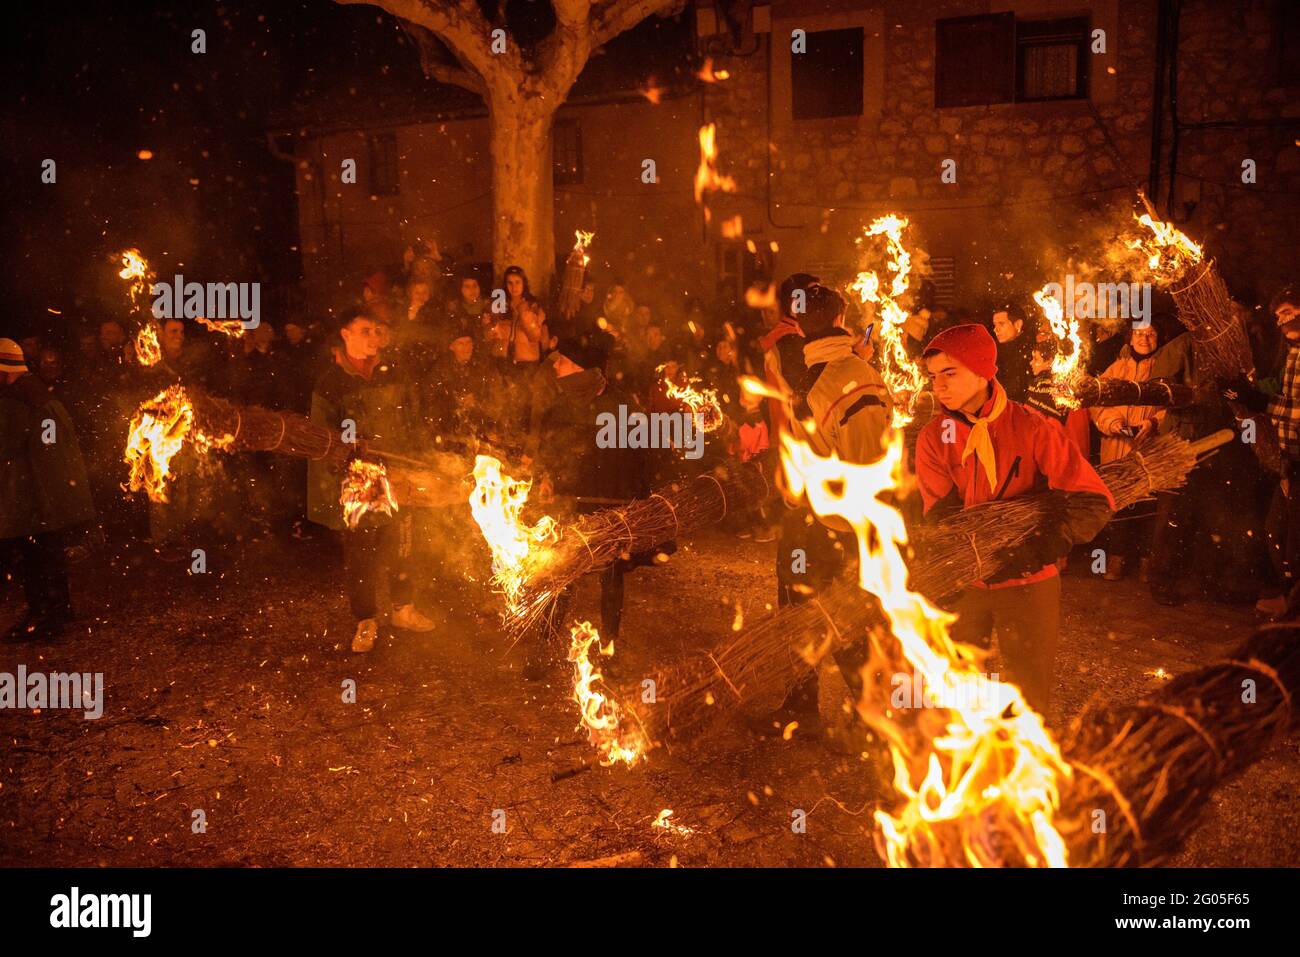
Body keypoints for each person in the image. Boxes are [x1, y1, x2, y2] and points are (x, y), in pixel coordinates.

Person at [915, 324, 1113, 715]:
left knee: (1027, 689)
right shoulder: (934, 436)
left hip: (1029, 581)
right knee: (958, 686)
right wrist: (950, 546)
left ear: (983, 371)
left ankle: (1025, 769)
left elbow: (1092, 499)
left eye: (950, 373)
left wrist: (1044, 546)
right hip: (964, 580)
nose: (939, 386)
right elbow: (938, 512)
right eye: (933, 377)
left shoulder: (1033, 427)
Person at [755, 284, 893, 735]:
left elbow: (827, 465)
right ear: (841, 319)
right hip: (851, 519)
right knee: (824, 616)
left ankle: (876, 719)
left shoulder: (817, 384)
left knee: (826, 619)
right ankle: (804, 705)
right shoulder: (862, 371)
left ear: (798, 324)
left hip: (824, 525)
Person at [308, 308, 435, 652]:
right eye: (365, 330)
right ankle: (366, 619)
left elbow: (412, 419)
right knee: (361, 555)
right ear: (346, 335)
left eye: (376, 331)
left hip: (400, 475)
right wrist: (347, 453)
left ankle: (403, 609)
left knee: (403, 546)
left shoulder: (393, 372)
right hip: (359, 482)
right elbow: (322, 440)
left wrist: (419, 460)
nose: (373, 337)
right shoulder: (330, 385)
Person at [527, 338, 654, 678]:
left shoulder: (623, 405)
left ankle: (609, 648)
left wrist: (636, 501)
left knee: (610, 577)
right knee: (561, 573)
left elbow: (641, 457)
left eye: (562, 362)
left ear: (580, 366)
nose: (556, 367)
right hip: (571, 502)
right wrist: (546, 477)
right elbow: (550, 447)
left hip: (610, 507)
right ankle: (542, 645)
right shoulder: (560, 404)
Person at [1, 339, 96, 642]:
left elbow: (9, 444)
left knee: (35, 553)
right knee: (48, 549)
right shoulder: (37, 392)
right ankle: (57, 608)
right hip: (48, 489)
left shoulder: (19, 400)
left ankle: (44, 615)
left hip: (34, 492)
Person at [1222, 287, 1300, 615]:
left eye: (1287, 312)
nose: (1281, 320)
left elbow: (1295, 408)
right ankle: (1284, 599)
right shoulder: (1291, 351)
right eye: (1278, 315)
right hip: (1289, 456)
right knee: (1277, 531)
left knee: (1293, 539)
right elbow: (1279, 388)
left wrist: (1261, 402)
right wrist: (1247, 391)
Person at [1088, 323, 1165, 582]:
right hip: (1117, 451)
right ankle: (1116, 559)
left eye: (1151, 334)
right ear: (1130, 337)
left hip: (1149, 452)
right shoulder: (1116, 369)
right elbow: (1096, 404)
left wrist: (1153, 422)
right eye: (1139, 333)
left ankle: (1146, 563)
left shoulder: (1164, 368)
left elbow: (1172, 406)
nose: (1144, 338)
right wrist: (1113, 423)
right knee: (1119, 507)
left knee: (1148, 508)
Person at [991, 304, 1034, 402]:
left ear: (1018, 324)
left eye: (1001, 324)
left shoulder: (1031, 351)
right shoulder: (994, 349)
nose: (995, 329)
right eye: (995, 325)